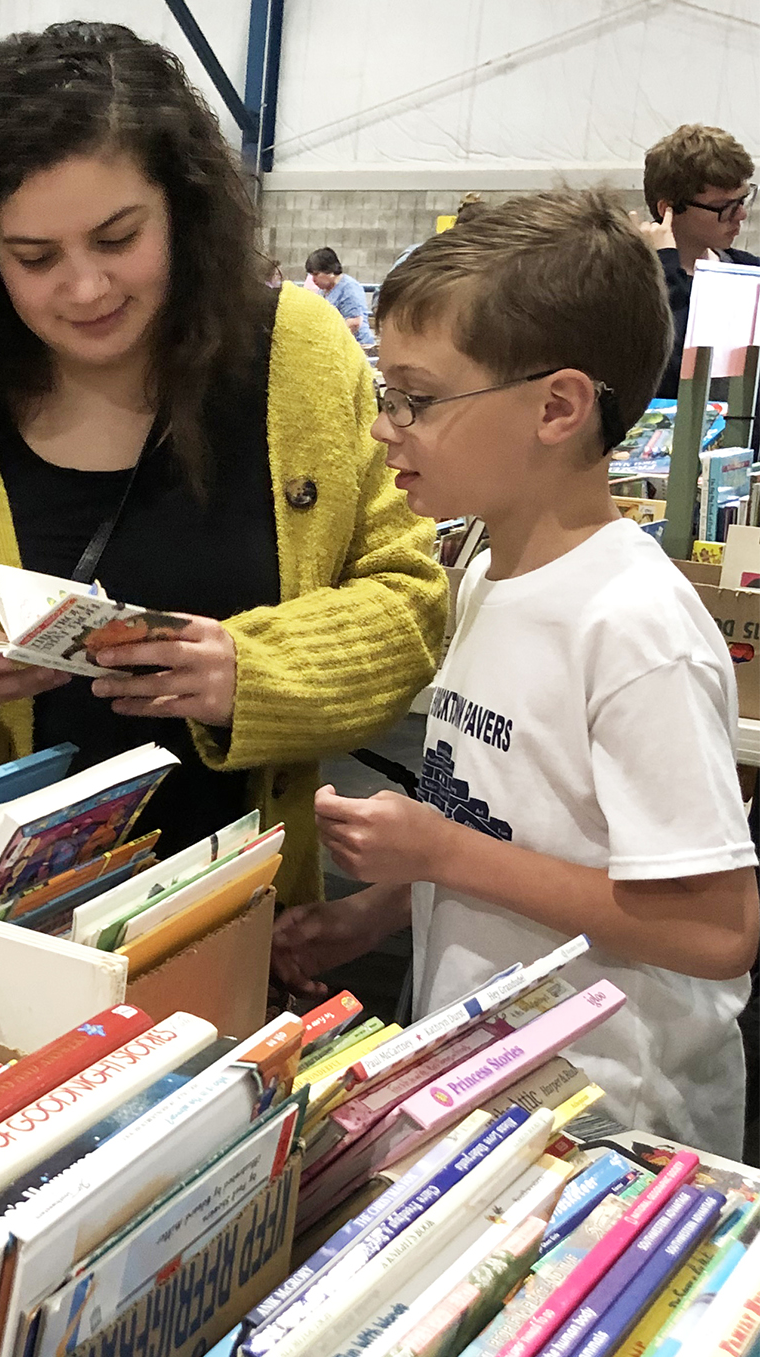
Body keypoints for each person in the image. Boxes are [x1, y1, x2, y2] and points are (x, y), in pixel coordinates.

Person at [0, 22, 446, 905]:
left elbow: (407, 599)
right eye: (35, 257)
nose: (85, 289)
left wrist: (251, 673)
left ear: (182, 210)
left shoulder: (300, 359)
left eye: (119, 238)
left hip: (235, 915)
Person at [272, 188, 760, 1154]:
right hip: (491, 1086)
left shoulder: (633, 626)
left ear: (557, 405)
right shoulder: (490, 570)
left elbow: (715, 930)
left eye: (416, 397)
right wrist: (373, 912)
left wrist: (440, 856)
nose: (384, 427)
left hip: (615, 1124)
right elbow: (506, 823)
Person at [639, 124, 755, 399]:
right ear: (668, 209)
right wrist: (665, 267)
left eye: (743, 200)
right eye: (723, 207)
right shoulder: (633, 285)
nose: (740, 215)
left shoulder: (749, 272)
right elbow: (670, 372)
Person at [304, 247, 374, 346]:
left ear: (329, 270)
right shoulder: (323, 291)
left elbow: (354, 322)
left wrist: (328, 339)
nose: (313, 280)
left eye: (316, 274)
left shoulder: (349, 288)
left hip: (357, 346)